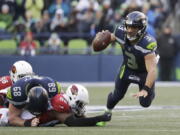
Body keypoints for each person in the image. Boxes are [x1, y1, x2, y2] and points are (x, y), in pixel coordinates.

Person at [95, 11, 159, 112]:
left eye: (133, 27)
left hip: (143, 73)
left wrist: (146, 89)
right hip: (127, 69)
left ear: (141, 28)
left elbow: (152, 70)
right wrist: (102, 38)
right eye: (128, 26)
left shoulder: (147, 43)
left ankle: (151, 92)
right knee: (117, 96)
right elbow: (110, 38)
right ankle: (107, 112)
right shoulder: (120, 32)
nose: (129, 30)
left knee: (145, 103)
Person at [6, 76, 111, 127]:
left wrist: (95, 121)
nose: (81, 106)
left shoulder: (53, 89)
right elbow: (11, 118)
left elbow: (76, 119)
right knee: (4, 118)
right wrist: (27, 123)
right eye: (80, 103)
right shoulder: (18, 92)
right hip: (18, 109)